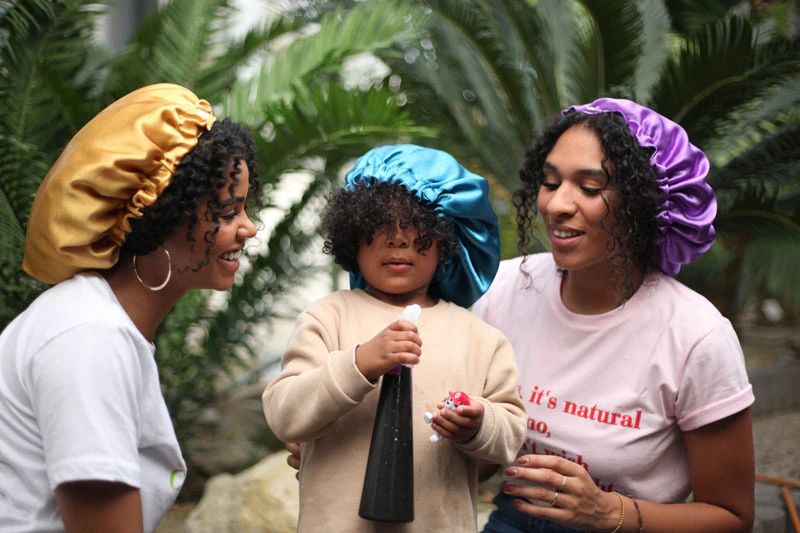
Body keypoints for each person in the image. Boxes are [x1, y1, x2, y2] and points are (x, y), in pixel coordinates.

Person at [473, 98, 755, 532]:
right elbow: (483, 462)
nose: (557, 204)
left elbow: (733, 517)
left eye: (590, 187)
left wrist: (609, 512)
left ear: (644, 203)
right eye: (550, 182)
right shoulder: (505, 290)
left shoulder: (696, 337)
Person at [0, 83, 261, 532]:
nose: (249, 228)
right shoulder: (89, 340)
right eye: (226, 211)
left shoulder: (100, 323)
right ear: (159, 215)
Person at [263, 144, 527, 532]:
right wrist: (357, 364)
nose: (398, 239)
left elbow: (511, 436)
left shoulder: (481, 339)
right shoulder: (327, 318)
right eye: (380, 224)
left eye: (418, 226)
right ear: (352, 235)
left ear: (447, 240)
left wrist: (478, 424)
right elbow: (285, 414)